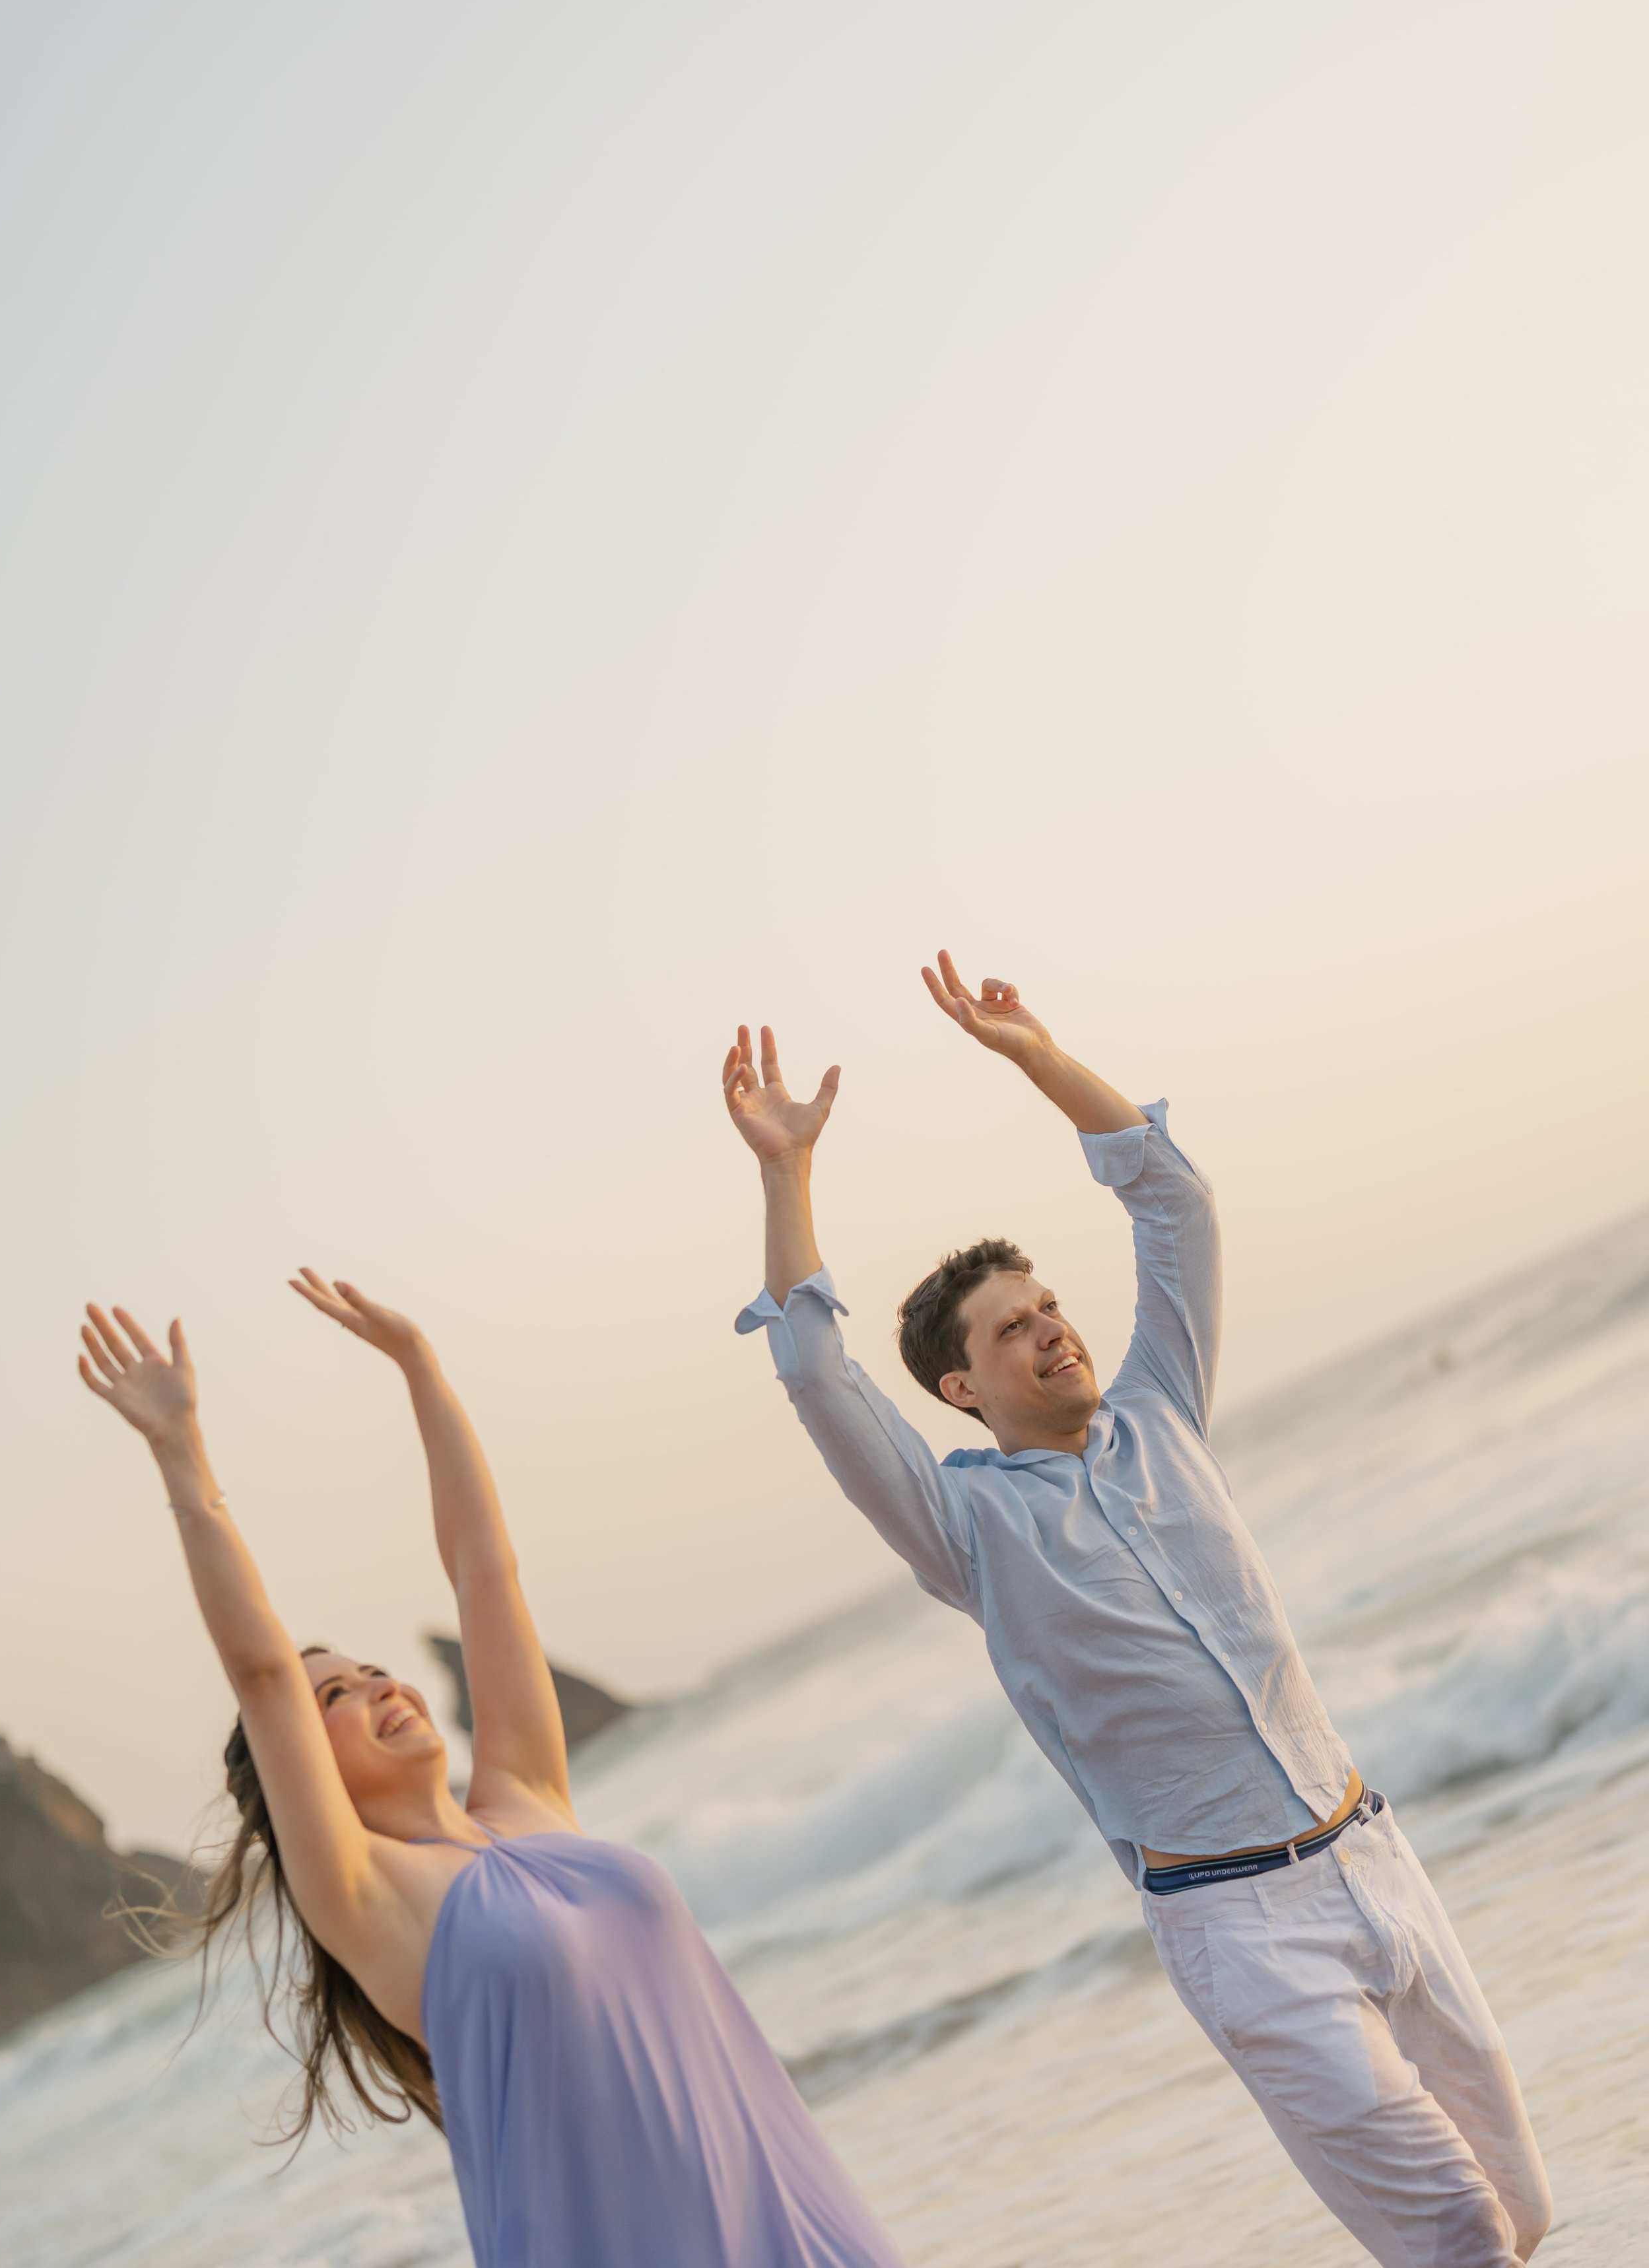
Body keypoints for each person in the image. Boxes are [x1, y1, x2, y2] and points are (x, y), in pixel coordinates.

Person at [723, 953, 1553, 2268]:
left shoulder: (1164, 1407)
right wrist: (787, 1173)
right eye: (1012, 1329)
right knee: (1454, 2231)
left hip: (1369, 1851)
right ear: (958, 1385)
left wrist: (1035, 1056)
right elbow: (818, 1374)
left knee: (1518, 2214)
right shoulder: (964, 1527)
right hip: (1237, 1923)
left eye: (1049, 1305)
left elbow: (1174, 1204)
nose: (1053, 1329)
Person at [75, 1276, 904, 2268]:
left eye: (374, 1668)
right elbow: (260, 1673)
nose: (381, 1684)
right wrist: (182, 1455)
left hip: (797, 2229)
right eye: (334, 1696)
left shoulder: (526, 1797)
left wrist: (422, 1369)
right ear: (306, 1769)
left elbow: (484, 1569)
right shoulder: (372, 1900)